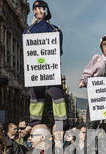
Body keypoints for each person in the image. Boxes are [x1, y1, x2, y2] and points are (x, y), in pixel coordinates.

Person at [24, 1, 68, 130]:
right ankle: (34, 123)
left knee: (57, 95)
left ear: (46, 10)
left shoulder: (55, 30)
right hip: (36, 71)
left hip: (51, 70)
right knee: (35, 96)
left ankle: (62, 122)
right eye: (35, 9)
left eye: (41, 9)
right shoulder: (28, 32)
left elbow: (57, 52)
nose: (38, 11)